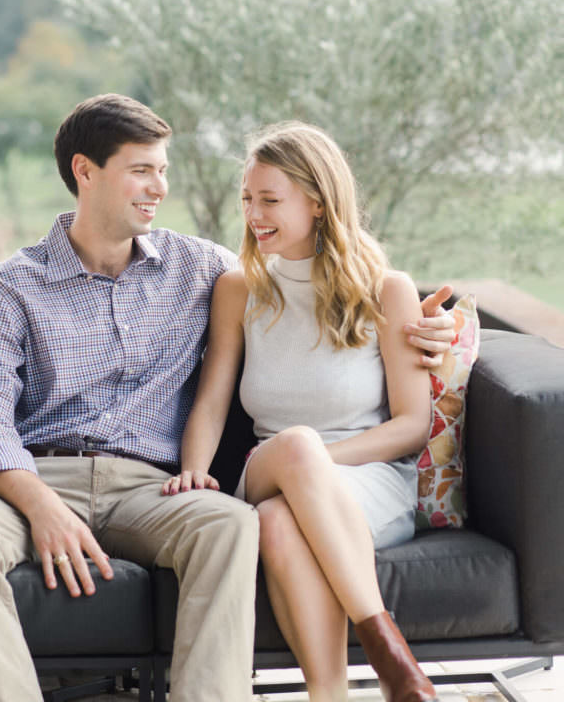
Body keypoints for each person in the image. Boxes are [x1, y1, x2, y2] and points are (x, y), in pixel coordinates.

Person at [0, 95, 453, 702]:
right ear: (86, 172)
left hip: (148, 487)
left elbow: (311, 272)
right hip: (36, 477)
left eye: (163, 170)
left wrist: (429, 329)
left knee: (230, 525)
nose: (159, 187)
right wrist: (39, 504)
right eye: (143, 170)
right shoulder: (9, 288)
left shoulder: (200, 269)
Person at [164, 121, 440, 702]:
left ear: (316, 202)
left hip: (369, 482)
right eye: (247, 199)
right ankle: (391, 656)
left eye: (270, 200)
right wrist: (193, 468)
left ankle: (328, 696)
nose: (253, 213)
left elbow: (412, 425)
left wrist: (314, 463)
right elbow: (211, 399)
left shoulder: (386, 289)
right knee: (291, 449)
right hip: (268, 467)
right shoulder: (240, 288)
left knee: (279, 522)